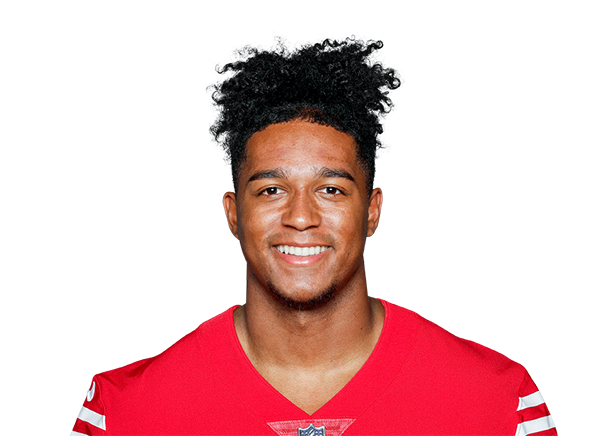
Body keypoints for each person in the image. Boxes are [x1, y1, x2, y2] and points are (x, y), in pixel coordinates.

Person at [71, 33, 557, 436]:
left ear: (372, 211)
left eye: (330, 189)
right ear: (232, 214)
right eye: (271, 190)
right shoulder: (120, 414)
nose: (300, 217)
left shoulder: (500, 405)